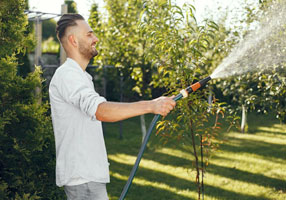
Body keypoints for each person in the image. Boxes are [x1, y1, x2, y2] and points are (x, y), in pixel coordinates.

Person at [49, 13, 176, 200]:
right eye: (89, 34)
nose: (96, 39)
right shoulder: (68, 75)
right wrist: (151, 105)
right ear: (73, 40)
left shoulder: (81, 77)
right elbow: (100, 110)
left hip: (87, 177)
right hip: (82, 178)